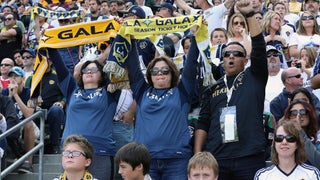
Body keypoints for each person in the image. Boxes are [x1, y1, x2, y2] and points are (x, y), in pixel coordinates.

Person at [194, 0, 268, 179]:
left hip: (249, 156)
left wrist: (249, 15)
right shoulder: (213, 88)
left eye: (237, 54)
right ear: (223, 59)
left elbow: (259, 46)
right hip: (218, 157)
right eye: (227, 54)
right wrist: (197, 154)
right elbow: (203, 122)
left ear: (246, 60)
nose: (232, 57)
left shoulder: (255, 76)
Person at [124, 22, 199, 180]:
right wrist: (130, 39)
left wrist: (196, 36)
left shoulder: (182, 92)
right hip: (144, 160)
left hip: (176, 159)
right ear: (150, 75)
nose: (160, 73)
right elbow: (133, 66)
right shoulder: (142, 91)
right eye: (155, 71)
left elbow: (191, 64)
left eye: (165, 70)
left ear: (172, 73)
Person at [47, 48, 119, 179]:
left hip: (100, 150)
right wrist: (50, 46)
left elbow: (116, 63)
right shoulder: (71, 89)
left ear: (102, 74)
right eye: (85, 70)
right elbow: (59, 64)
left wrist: (116, 40)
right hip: (71, 150)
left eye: (94, 69)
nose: (89, 72)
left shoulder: (109, 91)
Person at [254, 120, 320, 179]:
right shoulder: (262, 176)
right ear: (274, 144)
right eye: (279, 138)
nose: (284, 142)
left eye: (290, 138)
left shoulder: (312, 174)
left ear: (297, 144)